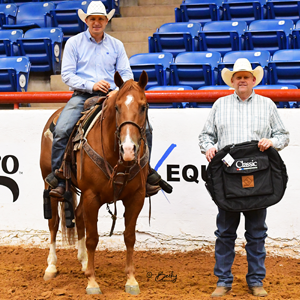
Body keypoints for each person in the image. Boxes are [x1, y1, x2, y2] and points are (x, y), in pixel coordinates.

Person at [45, 1, 169, 198]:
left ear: (106, 21)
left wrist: (117, 91)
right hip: (82, 95)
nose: (97, 22)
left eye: (100, 19)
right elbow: (67, 75)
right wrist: (91, 85)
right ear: (86, 20)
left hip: (112, 96)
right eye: (93, 19)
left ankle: (145, 171)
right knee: (61, 129)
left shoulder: (116, 45)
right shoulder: (74, 43)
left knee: (146, 128)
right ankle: (59, 178)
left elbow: (127, 74)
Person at [198, 58, 289, 298]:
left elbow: (282, 135)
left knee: (257, 232)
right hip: (229, 179)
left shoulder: (267, 105)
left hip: (258, 178)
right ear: (233, 81)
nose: (241, 80)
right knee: (225, 232)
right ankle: (223, 280)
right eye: (238, 77)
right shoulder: (220, 105)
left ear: (253, 80)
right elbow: (205, 136)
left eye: (245, 76)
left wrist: (272, 142)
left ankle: (256, 280)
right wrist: (208, 147)